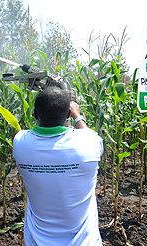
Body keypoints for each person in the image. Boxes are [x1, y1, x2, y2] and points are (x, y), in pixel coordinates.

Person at [13, 87, 103, 246]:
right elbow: (86, 134)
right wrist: (77, 115)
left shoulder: (20, 143)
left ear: (35, 114)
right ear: (68, 114)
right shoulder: (89, 144)